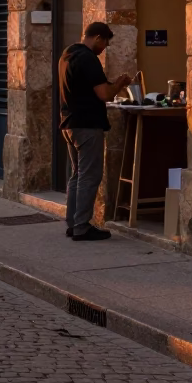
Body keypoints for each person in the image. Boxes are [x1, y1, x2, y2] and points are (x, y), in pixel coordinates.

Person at [58, 21, 131, 241]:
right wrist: (120, 83)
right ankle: (81, 226)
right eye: (105, 43)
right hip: (87, 126)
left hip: (69, 123)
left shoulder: (67, 55)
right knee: (89, 176)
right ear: (98, 37)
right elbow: (105, 94)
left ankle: (72, 223)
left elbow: (86, 87)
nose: (104, 48)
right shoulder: (89, 59)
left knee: (77, 175)